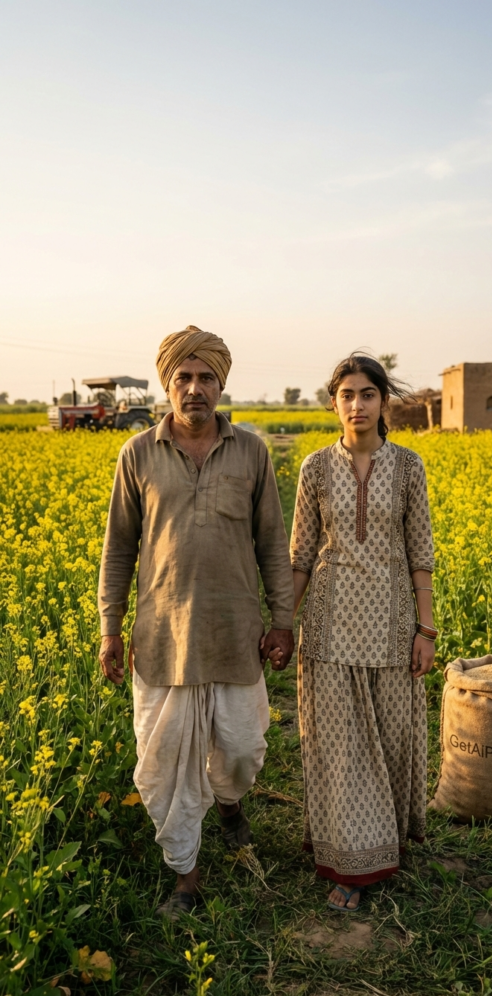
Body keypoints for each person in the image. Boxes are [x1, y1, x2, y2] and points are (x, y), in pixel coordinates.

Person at [98, 325, 294, 919]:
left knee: (240, 749)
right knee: (162, 768)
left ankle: (230, 804)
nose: (194, 388)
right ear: (167, 384)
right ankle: (186, 874)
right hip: (162, 638)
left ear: (221, 383)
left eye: (206, 377)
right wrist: (111, 626)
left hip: (235, 635)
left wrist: (283, 620)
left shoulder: (253, 452)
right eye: (183, 377)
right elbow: (118, 549)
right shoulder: (136, 454)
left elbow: (271, 544)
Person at [290, 353, 436, 912]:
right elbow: (301, 555)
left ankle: (388, 842)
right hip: (329, 626)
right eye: (346, 394)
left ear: (383, 402)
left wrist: (425, 628)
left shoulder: (409, 467)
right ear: (334, 404)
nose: (357, 404)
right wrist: (284, 622)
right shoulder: (313, 469)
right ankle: (350, 863)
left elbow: (420, 552)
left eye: (367, 394)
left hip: (393, 623)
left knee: (394, 737)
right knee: (341, 746)